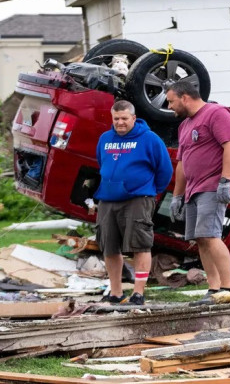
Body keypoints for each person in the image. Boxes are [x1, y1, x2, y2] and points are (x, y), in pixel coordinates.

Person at [165, 82, 230, 304]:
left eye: (171, 101)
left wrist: (225, 181)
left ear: (185, 97)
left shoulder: (216, 114)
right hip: (193, 190)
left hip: (212, 186)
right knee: (200, 238)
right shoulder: (184, 125)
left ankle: (229, 287)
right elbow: (182, 163)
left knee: (210, 235)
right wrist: (177, 196)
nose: (169, 106)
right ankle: (214, 289)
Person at [93, 100, 173, 306]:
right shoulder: (105, 139)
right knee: (109, 247)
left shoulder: (149, 139)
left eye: (124, 119)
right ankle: (116, 292)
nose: (120, 123)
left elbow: (165, 170)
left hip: (138, 199)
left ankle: (138, 293)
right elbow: (101, 163)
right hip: (107, 199)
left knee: (140, 244)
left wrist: (149, 191)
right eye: (116, 118)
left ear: (134, 118)